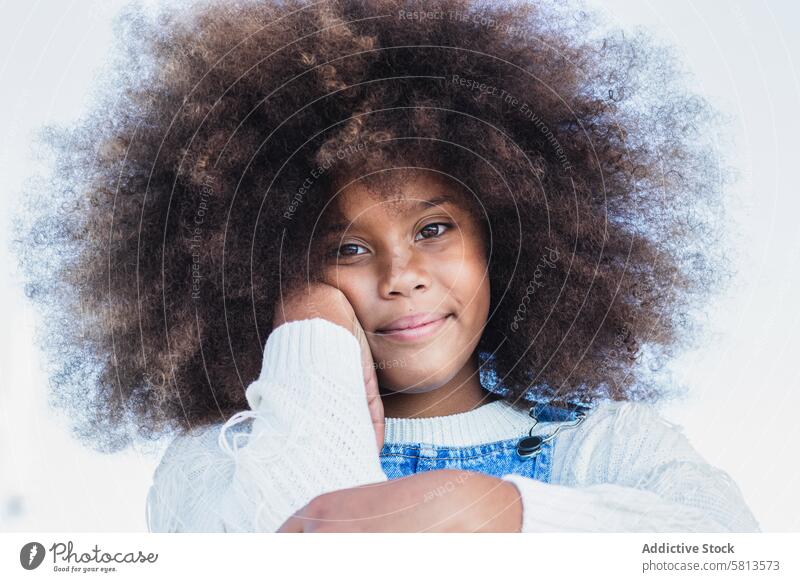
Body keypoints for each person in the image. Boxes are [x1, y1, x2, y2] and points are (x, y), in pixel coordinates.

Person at [17, 0, 760, 532]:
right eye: (347, 248)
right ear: (265, 268)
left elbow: (728, 549)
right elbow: (298, 535)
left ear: (503, 236)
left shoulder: (600, 443)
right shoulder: (219, 462)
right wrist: (310, 336)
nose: (400, 274)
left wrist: (500, 512)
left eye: (434, 228)